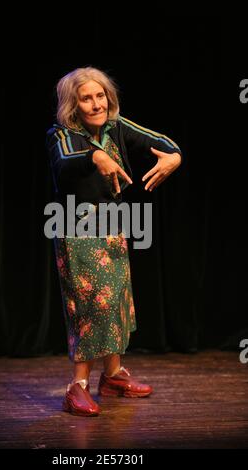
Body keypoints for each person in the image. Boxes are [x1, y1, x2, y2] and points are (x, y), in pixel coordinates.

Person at [46, 66, 182, 417]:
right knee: (92, 308)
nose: (96, 104)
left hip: (113, 231)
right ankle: (77, 387)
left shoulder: (117, 128)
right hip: (77, 233)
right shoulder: (62, 134)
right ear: (74, 105)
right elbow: (64, 163)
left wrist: (174, 156)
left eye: (100, 95)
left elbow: (163, 142)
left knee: (118, 301)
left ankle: (113, 376)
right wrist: (96, 155)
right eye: (86, 98)